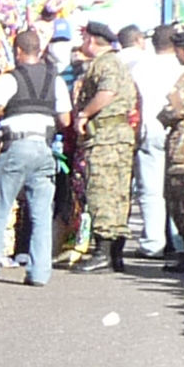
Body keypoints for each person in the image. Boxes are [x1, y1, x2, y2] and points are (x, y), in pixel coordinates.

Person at [0, 30, 70, 284]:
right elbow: (65, 119)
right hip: (45, 149)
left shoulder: (8, 80)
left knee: (0, 208)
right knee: (41, 213)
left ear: (18, 52)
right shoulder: (55, 80)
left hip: (16, 146)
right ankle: (39, 273)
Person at [65, 21, 140, 273]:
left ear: (92, 40)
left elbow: (106, 92)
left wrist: (84, 114)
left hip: (107, 136)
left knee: (102, 191)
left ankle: (104, 252)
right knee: (117, 193)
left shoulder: (106, 63)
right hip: (116, 136)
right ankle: (114, 252)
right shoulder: (114, 63)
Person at [128, 25, 184, 258]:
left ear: (153, 43)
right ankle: (178, 241)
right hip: (179, 132)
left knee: (150, 190)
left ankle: (153, 243)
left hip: (149, 129)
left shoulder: (140, 67)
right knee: (177, 189)